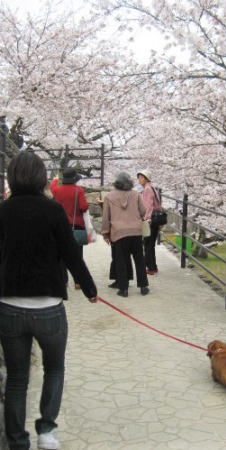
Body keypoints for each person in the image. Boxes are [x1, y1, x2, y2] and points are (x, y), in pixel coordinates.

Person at [0, 151, 98, 450]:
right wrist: (90, 289)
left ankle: (17, 440)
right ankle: (46, 432)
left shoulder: (2, 211)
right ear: (43, 177)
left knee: (17, 378)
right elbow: (71, 254)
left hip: (9, 307)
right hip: (48, 308)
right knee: (54, 368)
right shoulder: (53, 210)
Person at [101, 172, 149, 297]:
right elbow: (143, 211)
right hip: (135, 232)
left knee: (121, 260)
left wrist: (105, 233)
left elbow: (106, 217)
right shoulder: (136, 194)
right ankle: (143, 286)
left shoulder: (109, 196)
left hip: (118, 233)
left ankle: (124, 289)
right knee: (139, 259)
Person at [50, 168, 89, 289]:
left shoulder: (57, 190)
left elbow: (52, 187)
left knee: (61, 255)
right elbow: (84, 207)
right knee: (77, 255)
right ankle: (78, 282)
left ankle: (63, 281)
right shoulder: (79, 191)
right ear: (74, 179)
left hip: (60, 226)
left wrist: (55, 179)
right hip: (76, 225)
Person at [137, 169, 162, 275]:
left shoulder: (147, 189)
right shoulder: (152, 187)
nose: (138, 180)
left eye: (140, 177)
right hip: (156, 219)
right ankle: (153, 267)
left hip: (150, 220)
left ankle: (151, 268)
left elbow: (148, 206)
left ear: (145, 178)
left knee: (147, 244)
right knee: (150, 244)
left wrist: (146, 220)